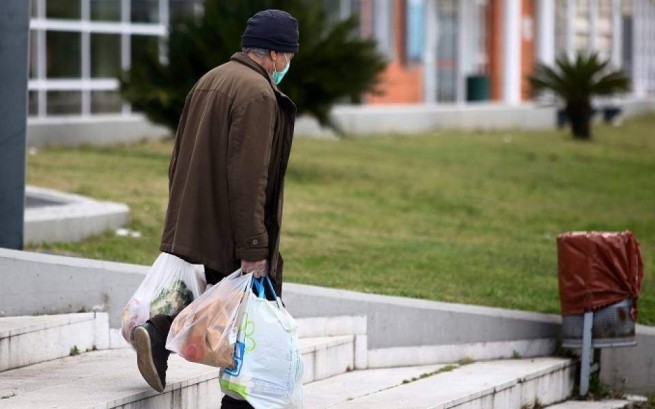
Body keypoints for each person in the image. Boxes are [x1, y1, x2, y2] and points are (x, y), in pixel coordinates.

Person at [131, 9, 299, 409]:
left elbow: (179, 155)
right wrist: (255, 246)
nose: (288, 65)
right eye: (289, 57)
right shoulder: (257, 93)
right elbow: (249, 177)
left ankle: (158, 333)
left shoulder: (211, 79)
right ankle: (241, 402)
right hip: (232, 225)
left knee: (222, 302)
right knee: (251, 318)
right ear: (275, 55)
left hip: (198, 216)